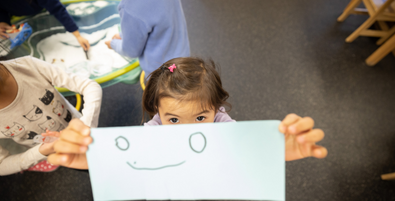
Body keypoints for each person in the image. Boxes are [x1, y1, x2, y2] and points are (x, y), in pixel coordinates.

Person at [47, 57, 327, 169]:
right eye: (174, 120)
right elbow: (127, 155)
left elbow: (243, 144)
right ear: (158, 111)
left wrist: (274, 148)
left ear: (216, 109)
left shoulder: (221, 122)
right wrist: (92, 156)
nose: (188, 129)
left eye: (200, 118)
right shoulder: (154, 131)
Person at [0, 56, 102, 176]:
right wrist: (41, 152)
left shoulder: (28, 66)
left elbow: (89, 85)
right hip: (62, 153)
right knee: (95, 172)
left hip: (89, 131)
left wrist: (86, 127)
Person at [104, 0, 190, 79]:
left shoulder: (131, 8)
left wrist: (113, 44)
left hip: (159, 72)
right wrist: (125, 35)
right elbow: (158, 21)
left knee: (160, 94)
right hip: (182, 56)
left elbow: (131, 50)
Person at [0, 0, 90, 50]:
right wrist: (3, 21)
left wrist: (77, 35)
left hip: (38, 7)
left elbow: (57, 9)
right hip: (18, 13)